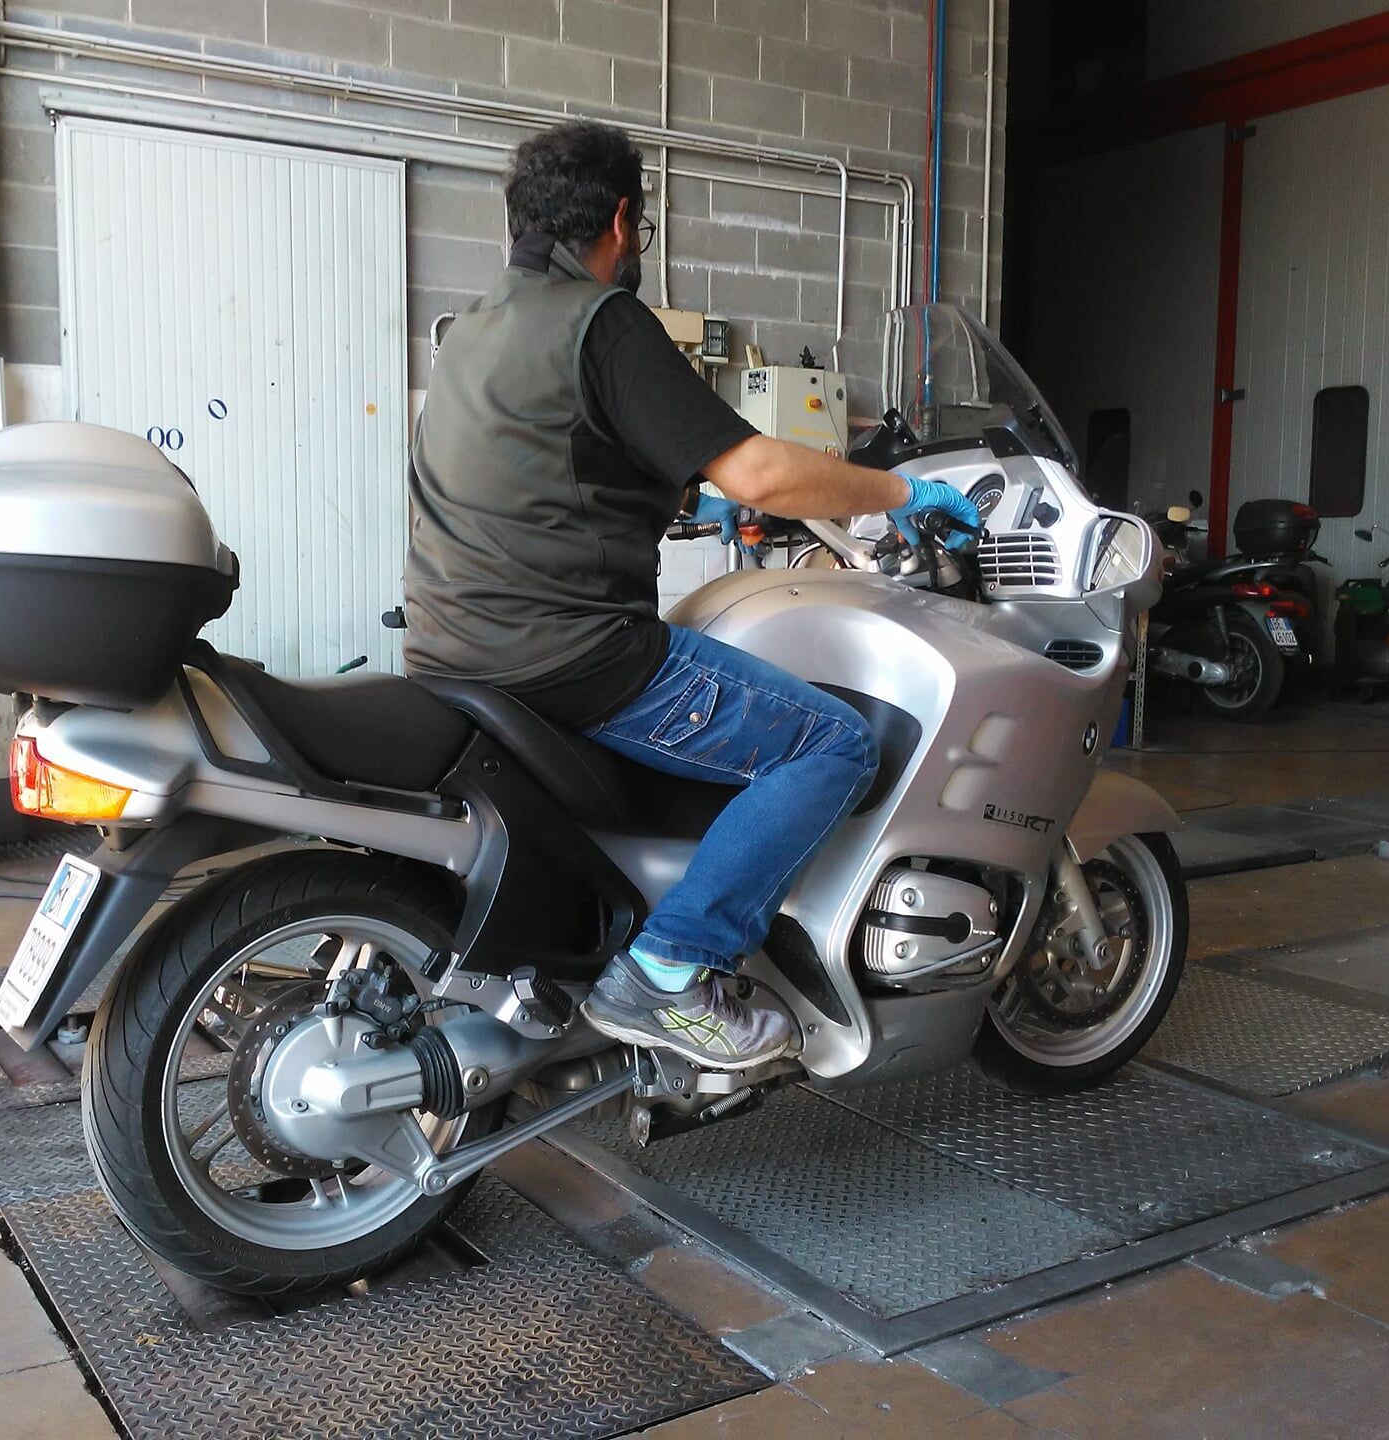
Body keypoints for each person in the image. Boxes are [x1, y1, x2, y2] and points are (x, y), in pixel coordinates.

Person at [403, 119, 981, 1070]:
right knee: (832, 743)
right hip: (572, 657)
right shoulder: (601, 321)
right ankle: (672, 970)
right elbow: (760, 468)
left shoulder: (472, 331)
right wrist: (902, 491)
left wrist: (686, 491)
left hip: (450, 648)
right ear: (623, 221)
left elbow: (553, 468)